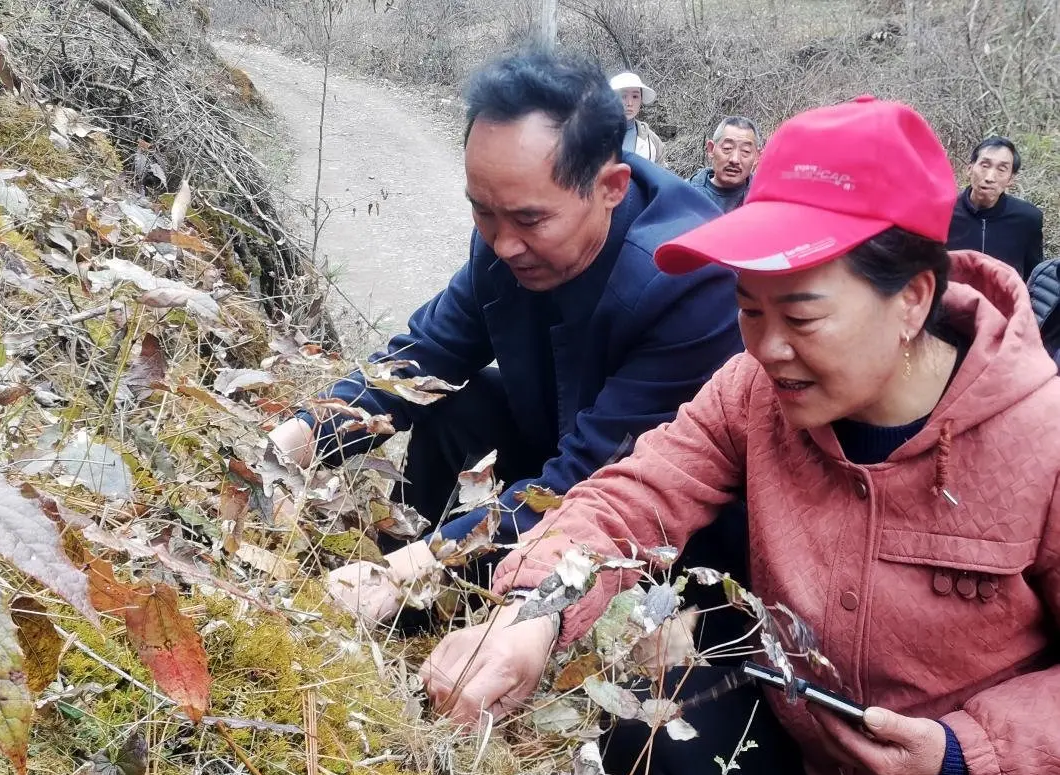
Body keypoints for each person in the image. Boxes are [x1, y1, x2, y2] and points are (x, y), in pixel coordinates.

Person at [421, 96, 1060, 775]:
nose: (769, 346)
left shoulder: (1039, 439)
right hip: (796, 741)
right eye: (749, 307)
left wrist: (969, 753)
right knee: (651, 724)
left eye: (801, 315)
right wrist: (534, 614)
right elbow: (638, 493)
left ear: (911, 298)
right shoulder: (753, 389)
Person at [267, 51, 742, 623]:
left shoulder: (689, 278)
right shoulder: (505, 237)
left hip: (644, 520)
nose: (502, 244)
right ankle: (405, 607)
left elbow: (589, 480)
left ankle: (415, 591)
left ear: (612, 187)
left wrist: (420, 564)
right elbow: (427, 356)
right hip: (552, 439)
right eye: (482, 211)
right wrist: (297, 439)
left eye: (529, 220)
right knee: (454, 411)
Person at [945, 136, 1045, 279]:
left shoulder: (1027, 219)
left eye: (1002, 169)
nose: (990, 177)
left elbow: (1034, 277)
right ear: (969, 169)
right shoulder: (944, 212)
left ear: (1011, 179)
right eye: (985, 165)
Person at [688, 116, 761, 213]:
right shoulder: (686, 195)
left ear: (756, 157)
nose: (734, 159)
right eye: (727, 148)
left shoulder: (763, 199)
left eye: (745, 151)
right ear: (711, 149)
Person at [609, 71, 665, 163]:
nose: (629, 103)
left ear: (641, 100)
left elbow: (662, 174)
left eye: (635, 96)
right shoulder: (593, 135)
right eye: (623, 96)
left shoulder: (652, 141)